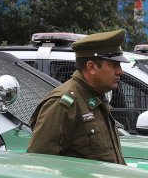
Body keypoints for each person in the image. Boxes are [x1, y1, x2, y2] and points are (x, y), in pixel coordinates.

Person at [28, 30, 126, 164]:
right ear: (91, 67)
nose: (120, 71)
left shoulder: (95, 97)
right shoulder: (63, 104)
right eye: (114, 65)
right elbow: (39, 164)